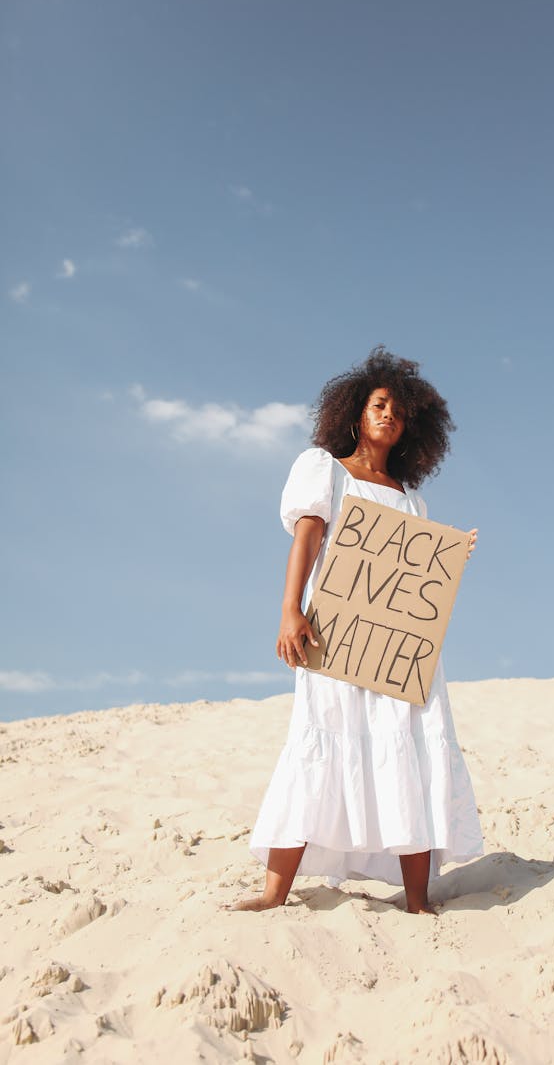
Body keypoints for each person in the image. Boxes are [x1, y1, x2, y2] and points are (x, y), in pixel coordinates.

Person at [229, 347, 483, 914]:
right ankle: (275, 892)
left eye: (397, 410)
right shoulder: (324, 470)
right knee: (317, 743)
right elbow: (309, 538)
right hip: (337, 638)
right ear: (356, 412)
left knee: (411, 752)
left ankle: (416, 899)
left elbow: (415, 585)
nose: (388, 414)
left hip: (399, 655)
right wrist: (290, 609)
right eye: (379, 403)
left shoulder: (411, 499)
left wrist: (448, 556)